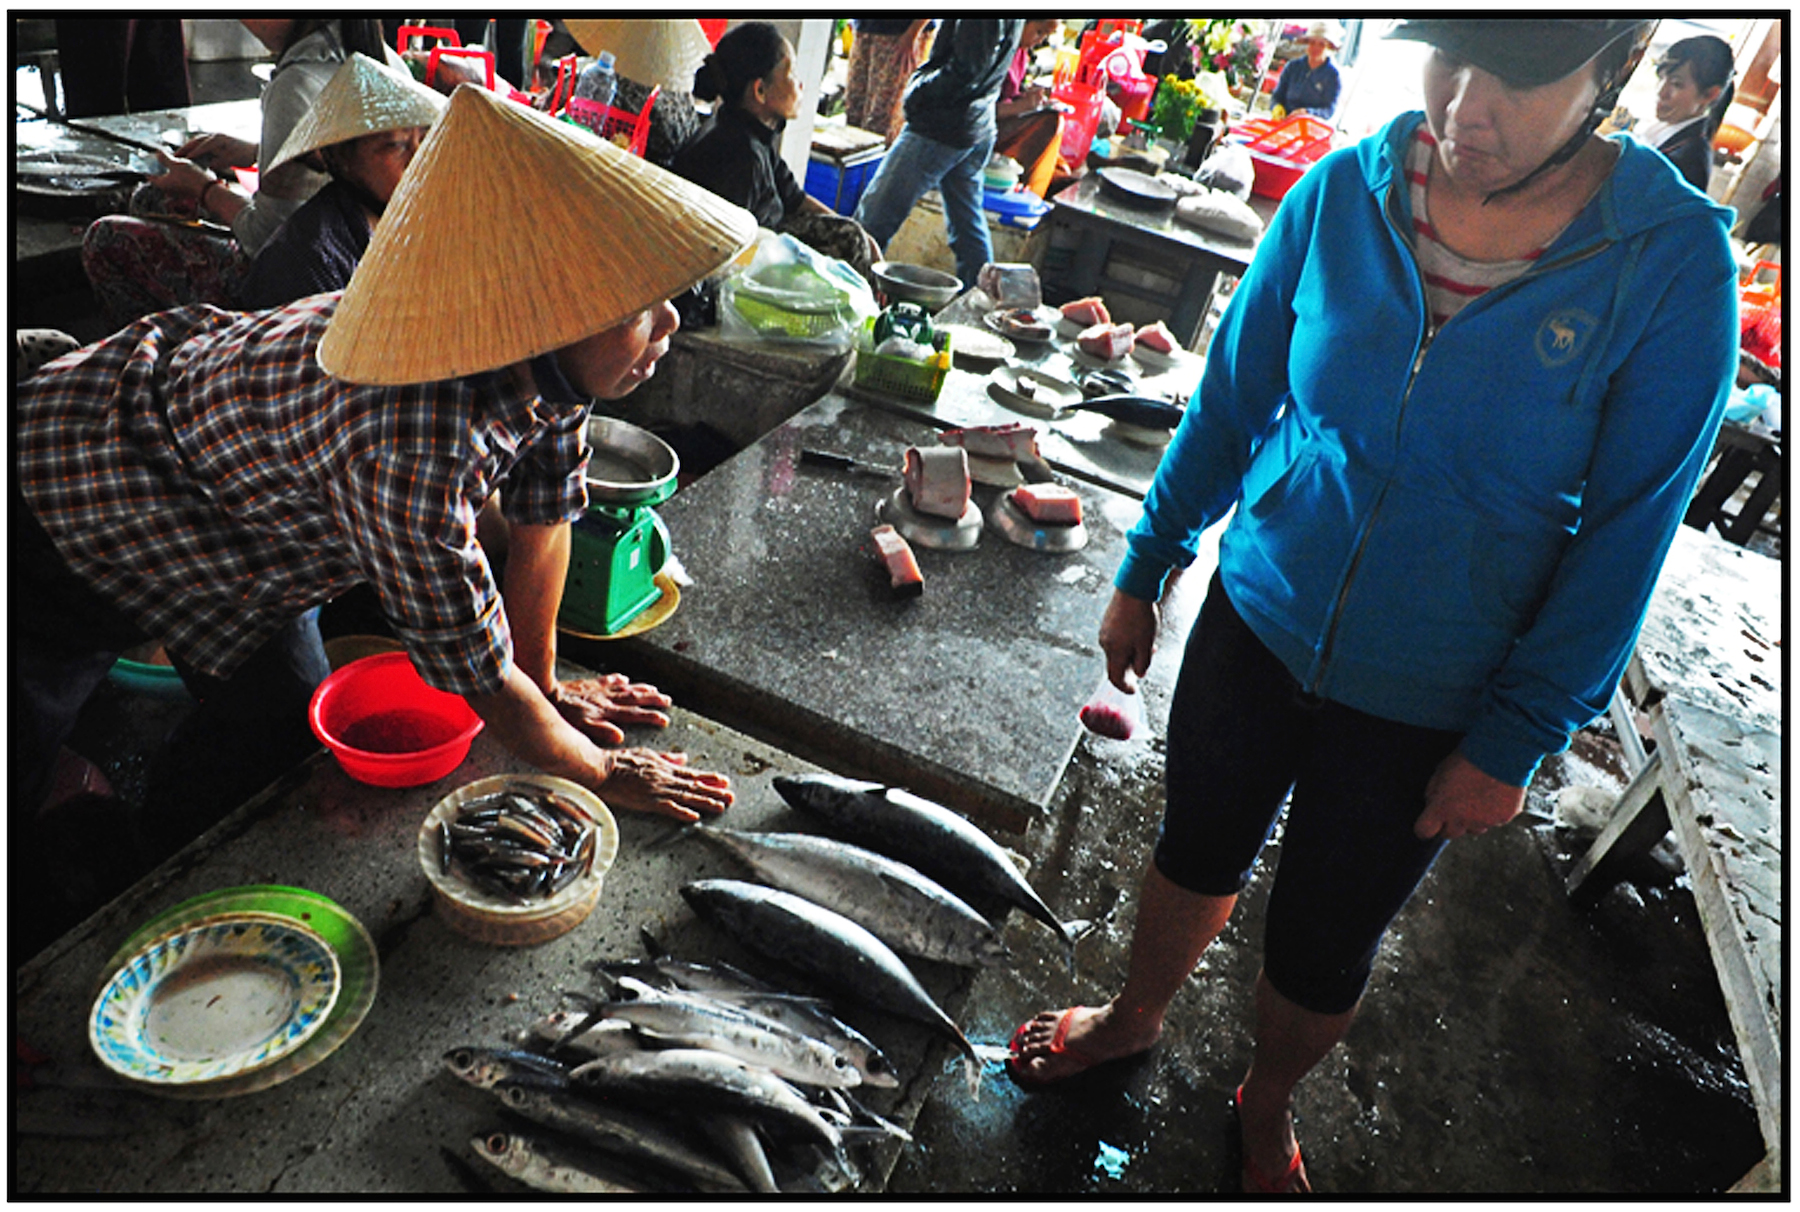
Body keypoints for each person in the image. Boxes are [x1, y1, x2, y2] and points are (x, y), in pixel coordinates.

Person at [1006, 19, 1737, 1195]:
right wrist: (1148, 564)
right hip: (1259, 613)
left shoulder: (1670, 259)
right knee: (1193, 846)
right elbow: (1236, 391)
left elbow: (1627, 531)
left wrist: (1514, 737)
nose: (1464, 108)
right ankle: (1134, 1015)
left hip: (1435, 687)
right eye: (1448, 58)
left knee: (1326, 935)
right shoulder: (1346, 188)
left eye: (1516, 79)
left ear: (1608, 77)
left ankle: (1268, 1097)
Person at [17, 86, 756, 873]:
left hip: (248, 519)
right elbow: (477, 670)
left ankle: (160, 861)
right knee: (32, 715)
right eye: (643, 308)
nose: (670, 326)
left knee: (275, 727)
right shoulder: (414, 438)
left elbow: (544, 528)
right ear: (556, 315)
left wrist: (549, 689)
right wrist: (599, 768)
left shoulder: (550, 360)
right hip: (77, 481)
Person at [81, 19, 394, 330]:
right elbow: (341, 157)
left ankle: (172, 351)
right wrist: (258, 151)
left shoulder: (296, 83)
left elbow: (266, 240)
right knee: (152, 198)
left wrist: (203, 187)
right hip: (354, 253)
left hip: (295, 294)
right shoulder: (382, 58)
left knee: (104, 238)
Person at [674, 22, 881, 283]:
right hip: (738, 269)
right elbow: (730, 256)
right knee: (848, 242)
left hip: (767, 241)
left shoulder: (750, 129)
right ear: (760, 91)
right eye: (791, 72)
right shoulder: (738, 155)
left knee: (852, 235)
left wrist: (864, 235)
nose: (800, 84)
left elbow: (795, 198)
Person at [237, 54, 444, 310]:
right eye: (396, 145)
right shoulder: (309, 261)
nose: (418, 158)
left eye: (425, 140)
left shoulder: (418, 215)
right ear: (340, 158)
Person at [853, 19, 1023, 290]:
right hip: (975, 124)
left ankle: (845, 297)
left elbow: (966, 70)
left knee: (872, 220)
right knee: (968, 229)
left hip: (942, 127)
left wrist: (917, 90)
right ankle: (979, 302)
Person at [1638, 35, 1736, 193]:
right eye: (1661, 78)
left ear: (1709, 94)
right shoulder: (1662, 130)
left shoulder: (1690, 162)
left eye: (1677, 84)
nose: (1662, 92)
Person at [993, 18, 1064, 199]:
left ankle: (1048, 184)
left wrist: (1029, 97)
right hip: (988, 129)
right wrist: (1021, 106)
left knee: (1059, 161)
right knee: (1051, 123)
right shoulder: (998, 50)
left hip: (1008, 119)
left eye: (1046, 36)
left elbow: (1011, 93)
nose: (1040, 40)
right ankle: (1031, 192)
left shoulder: (1022, 53)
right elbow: (983, 110)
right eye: (1039, 32)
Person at [843, 19, 933, 143]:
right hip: (865, 28)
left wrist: (912, 34)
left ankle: (880, 160)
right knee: (854, 110)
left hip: (900, 34)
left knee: (882, 118)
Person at [1270, 20, 1343, 121]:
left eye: (1321, 44)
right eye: (1312, 43)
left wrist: (1308, 112)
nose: (1315, 48)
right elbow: (1277, 96)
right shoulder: (1292, 67)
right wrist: (1276, 107)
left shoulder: (1333, 75)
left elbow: (1329, 110)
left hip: (1311, 127)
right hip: (1284, 121)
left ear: (1328, 47)